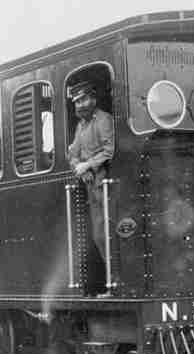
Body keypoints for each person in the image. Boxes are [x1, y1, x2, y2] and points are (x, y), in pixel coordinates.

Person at [66, 80, 115, 272]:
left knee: (107, 234)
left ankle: (115, 280)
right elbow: (73, 154)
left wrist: (88, 164)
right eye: (77, 102)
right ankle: (111, 277)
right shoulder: (81, 126)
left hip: (105, 182)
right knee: (98, 235)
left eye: (84, 100)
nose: (80, 105)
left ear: (93, 99)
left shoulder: (103, 120)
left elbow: (109, 151)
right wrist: (81, 167)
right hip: (91, 185)